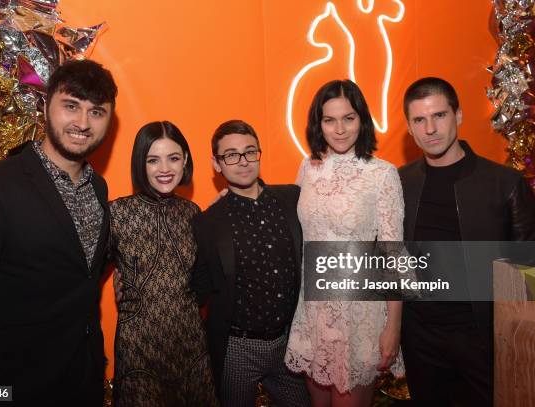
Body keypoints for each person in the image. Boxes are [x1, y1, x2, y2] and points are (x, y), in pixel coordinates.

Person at [0, 59, 117, 404]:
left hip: (83, 382)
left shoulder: (98, 189)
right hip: (15, 389)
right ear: (46, 107)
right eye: (71, 106)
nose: (83, 123)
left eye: (97, 112)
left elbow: (80, 281)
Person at [398, 77, 535, 406]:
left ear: (458, 116)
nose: (430, 129)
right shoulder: (399, 182)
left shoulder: (504, 183)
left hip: (484, 338)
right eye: (419, 120)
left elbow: (531, 266)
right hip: (420, 337)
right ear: (409, 127)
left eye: (439, 115)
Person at [285, 79, 404, 407]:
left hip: (359, 314)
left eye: (348, 118)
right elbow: (295, 230)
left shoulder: (382, 174)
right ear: (317, 123)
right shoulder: (307, 169)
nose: (339, 129)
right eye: (329, 120)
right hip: (313, 311)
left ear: (362, 120)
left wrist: (393, 327)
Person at [191, 120, 311, 407]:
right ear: (216, 164)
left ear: (259, 153)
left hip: (288, 343)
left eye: (249, 152)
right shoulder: (207, 222)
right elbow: (197, 285)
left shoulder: (293, 198)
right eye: (231, 155)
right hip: (238, 348)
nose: (242, 161)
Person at [109, 121, 218, 406]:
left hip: (191, 348)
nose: (165, 169)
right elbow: (83, 273)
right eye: (153, 160)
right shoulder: (118, 214)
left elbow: (204, 280)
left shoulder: (193, 213)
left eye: (173, 158)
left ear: (185, 161)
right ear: (140, 164)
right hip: (139, 353)